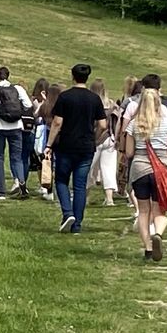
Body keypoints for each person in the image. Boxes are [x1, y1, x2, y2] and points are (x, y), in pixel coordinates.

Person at [45, 63, 109, 234]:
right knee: (80, 185)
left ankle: (67, 213)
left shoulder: (65, 97)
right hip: (86, 147)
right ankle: (77, 224)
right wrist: (94, 139)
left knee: (61, 180)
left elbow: (57, 122)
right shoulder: (94, 98)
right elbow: (103, 124)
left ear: (72, 76)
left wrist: (49, 144)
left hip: (66, 145)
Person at [123, 73, 167, 261]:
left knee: (143, 211)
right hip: (161, 170)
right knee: (159, 210)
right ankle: (158, 234)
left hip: (139, 169)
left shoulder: (134, 125)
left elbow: (128, 153)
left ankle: (147, 248)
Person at [0, 67, 31, 200]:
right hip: (16, 126)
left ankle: (1, 191)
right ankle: (21, 184)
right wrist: (18, 110)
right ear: (8, 76)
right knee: (17, 157)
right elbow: (28, 104)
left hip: (0, 127)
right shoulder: (17, 89)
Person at [89, 79, 120, 207]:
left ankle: (85, 197)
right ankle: (109, 199)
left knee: (88, 168)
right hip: (109, 139)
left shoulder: (91, 104)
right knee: (109, 169)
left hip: (94, 139)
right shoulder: (111, 104)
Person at [35, 82, 63, 200]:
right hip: (61, 136)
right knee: (58, 164)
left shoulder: (45, 105)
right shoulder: (62, 105)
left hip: (47, 136)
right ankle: (59, 188)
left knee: (47, 163)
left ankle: (48, 189)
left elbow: (36, 116)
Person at [25, 77, 51, 198]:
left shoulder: (50, 101)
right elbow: (34, 115)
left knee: (45, 159)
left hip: (45, 131)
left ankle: (46, 184)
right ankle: (43, 184)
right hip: (37, 131)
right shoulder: (33, 101)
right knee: (39, 159)